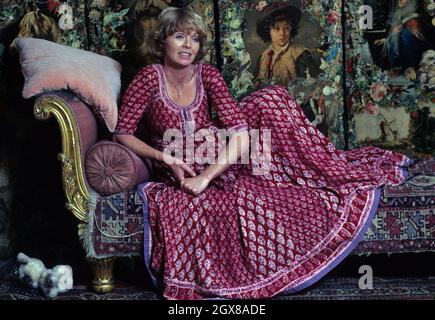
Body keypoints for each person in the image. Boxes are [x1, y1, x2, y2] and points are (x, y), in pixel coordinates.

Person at [114, 7, 412, 300]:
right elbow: (123, 132)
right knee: (240, 178)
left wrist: (206, 177)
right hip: (176, 159)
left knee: (272, 98)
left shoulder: (207, 75)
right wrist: (165, 158)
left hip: (215, 156)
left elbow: (240, 131)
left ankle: (316, 166)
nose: (187, 45)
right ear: (162, 41)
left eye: (194, 39)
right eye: (179, 37)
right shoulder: (149, 78)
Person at [256, 2, 319, 86]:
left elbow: (314, 83)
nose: (282, 33)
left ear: (291, 29)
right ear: (269, 30)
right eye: (277, 28)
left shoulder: (300, 53)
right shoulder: (263, 57)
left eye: (287, 28)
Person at [374, 0, 428, 75]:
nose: (400, 1)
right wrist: (387, 39)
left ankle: (406, 68)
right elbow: (395, 26)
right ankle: (398, 66)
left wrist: (401, 27)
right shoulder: (396, 9)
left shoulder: (414, 7)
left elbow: (414, 18)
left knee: (405, 37)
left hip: (414, 34)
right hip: (402, 30)